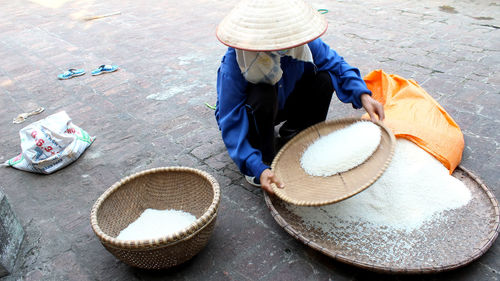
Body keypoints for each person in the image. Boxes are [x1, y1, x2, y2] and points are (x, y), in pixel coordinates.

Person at [214, 0, 385, 194]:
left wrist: (363, 95)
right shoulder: (236, 61)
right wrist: (255, 166)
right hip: (256, 110)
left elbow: (336, 64)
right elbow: (230, 120)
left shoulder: (301, 42)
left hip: (286, 100)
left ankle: (295, 133)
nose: (280, 46)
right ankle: (261, 156)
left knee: (324, 78)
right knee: (264, 91)